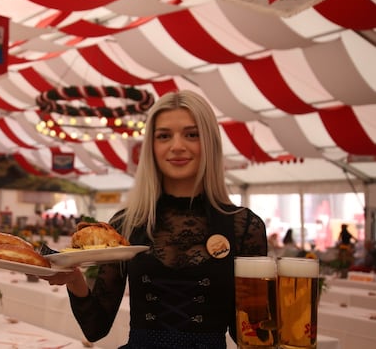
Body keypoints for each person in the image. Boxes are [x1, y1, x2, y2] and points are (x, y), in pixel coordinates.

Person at [42, 90, 267, 348]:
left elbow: (250, 337)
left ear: (210, 143)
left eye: (191, 134)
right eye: (164, 136)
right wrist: (75, 281)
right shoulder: (125, 224)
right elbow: (96, 328)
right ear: (151, 146)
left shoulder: (244, 227)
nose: (177, 146)